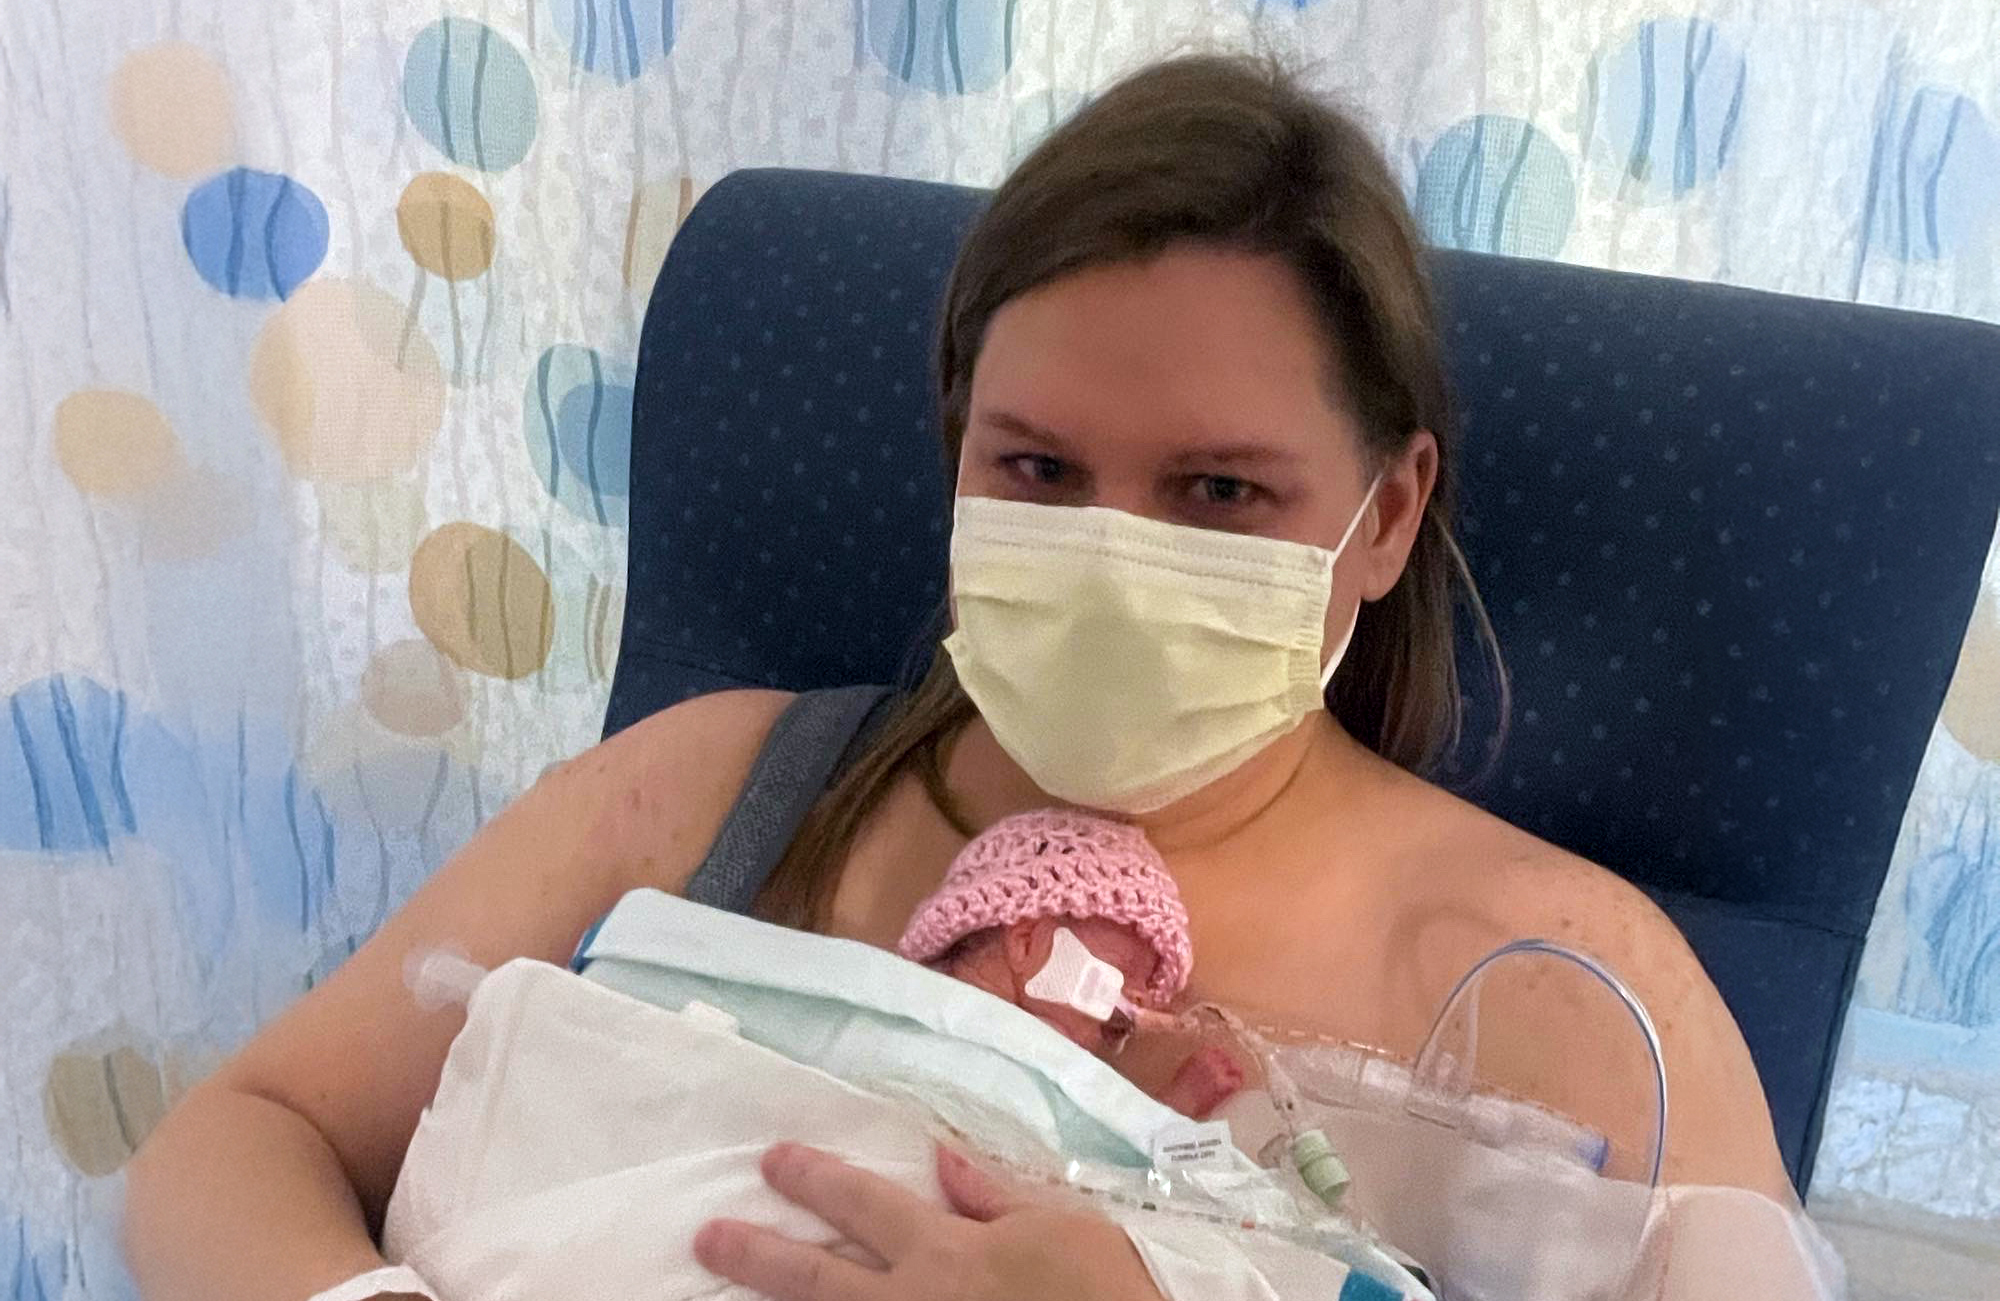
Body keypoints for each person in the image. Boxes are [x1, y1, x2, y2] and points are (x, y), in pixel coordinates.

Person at [125, 52, 1794, 1301]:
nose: (1115, 550)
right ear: (955, 455)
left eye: (1221, 491)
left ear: (1387, 513)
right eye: (1040, 471)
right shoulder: (722, 788)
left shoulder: (1560, 995)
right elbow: (236, 1136)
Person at [899, 808, 1245, 1120]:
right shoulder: (904, 997)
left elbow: (1086, 1152)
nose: (1135, 1005)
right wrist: (1170, 1111)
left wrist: (1172, 1107)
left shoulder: (1050, 1070)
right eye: (1120, 973)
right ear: (1026, 942)